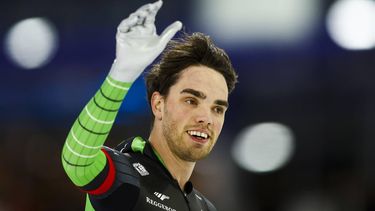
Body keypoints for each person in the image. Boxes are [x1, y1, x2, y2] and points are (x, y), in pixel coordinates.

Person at [61, 1, 238, 210]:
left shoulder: (206, 208)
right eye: (191, 101)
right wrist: (121, 74)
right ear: (158, 104)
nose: (206, 118)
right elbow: (77, 162)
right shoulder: (126, 178)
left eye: (217, 109)